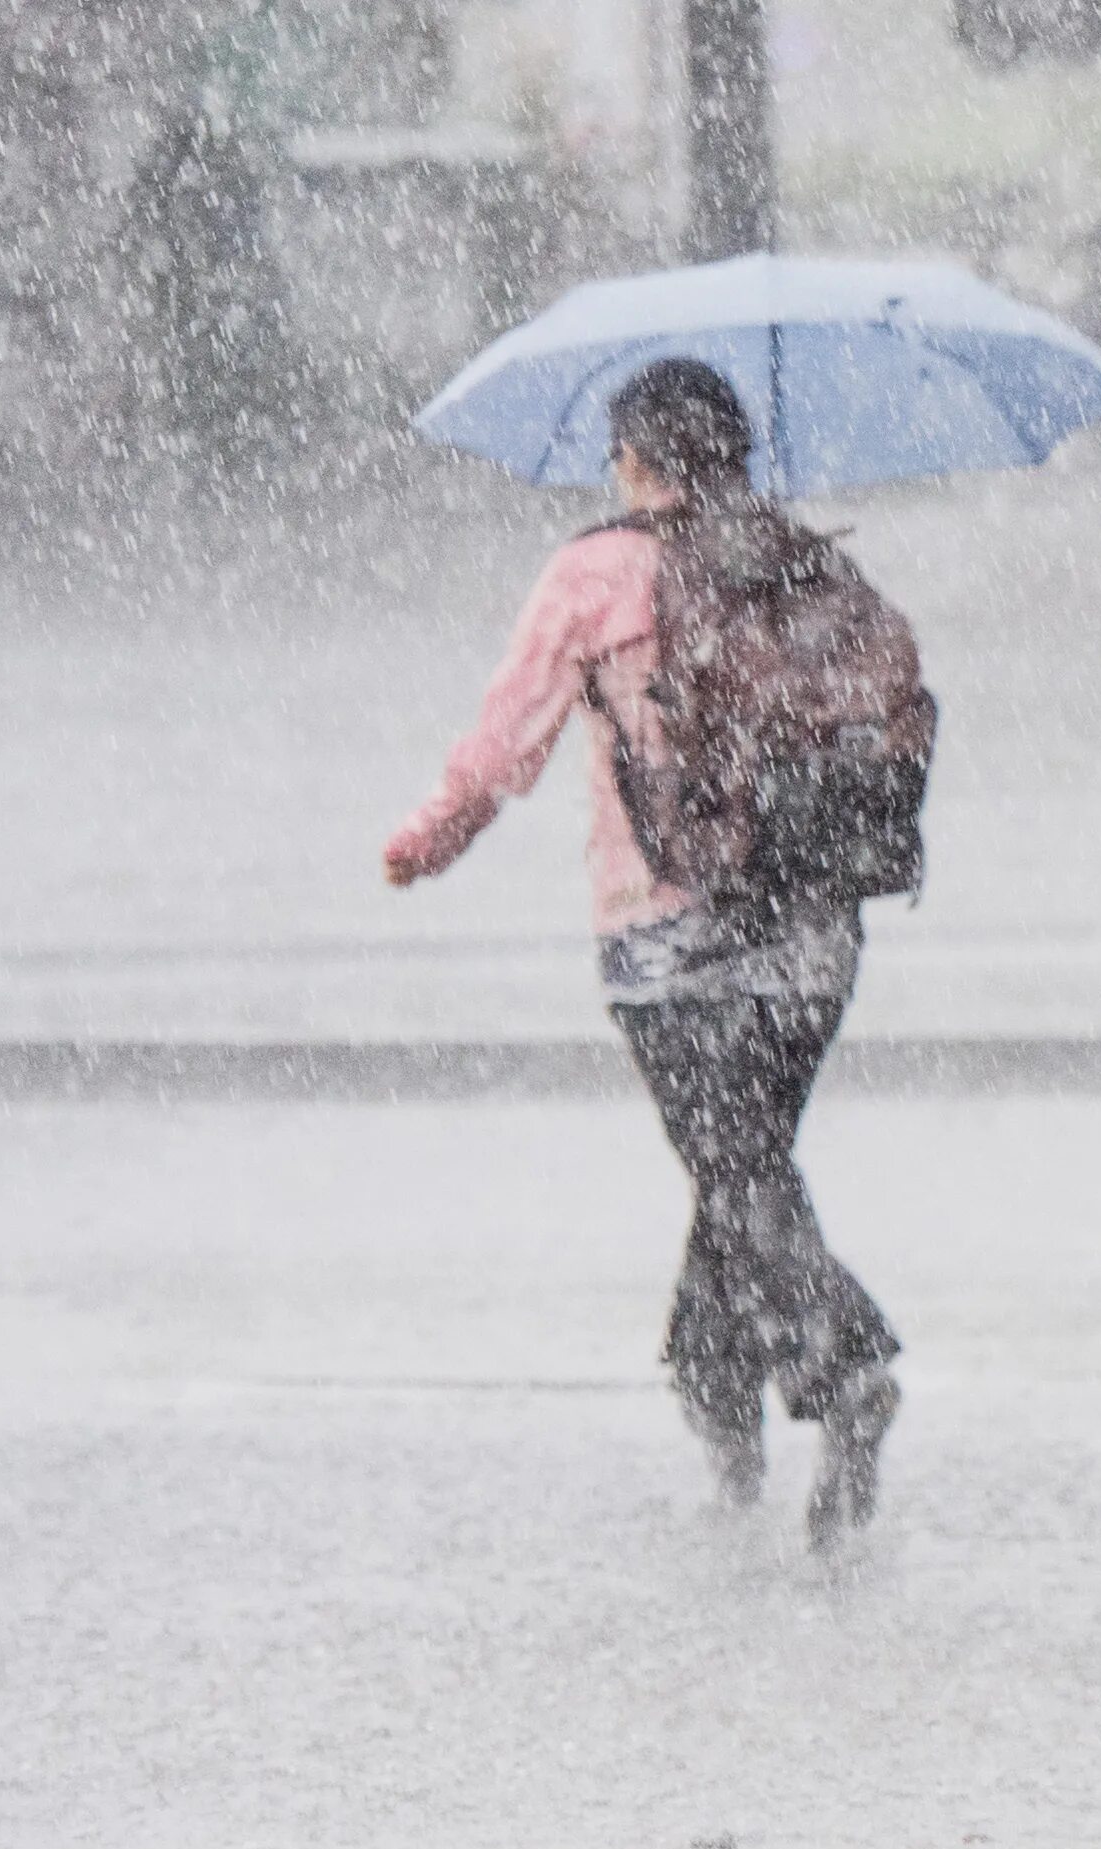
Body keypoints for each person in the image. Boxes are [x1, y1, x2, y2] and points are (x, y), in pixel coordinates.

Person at [381, 357, 904, 1548]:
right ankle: (716, 1388)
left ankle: (845, 1367)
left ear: (633, 459)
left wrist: (422, 845)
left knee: (733, 1170)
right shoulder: (808, 557)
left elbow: (499, 748)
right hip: (815, 932)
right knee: (744, 1163)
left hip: (664, 932)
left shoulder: (592, 573)